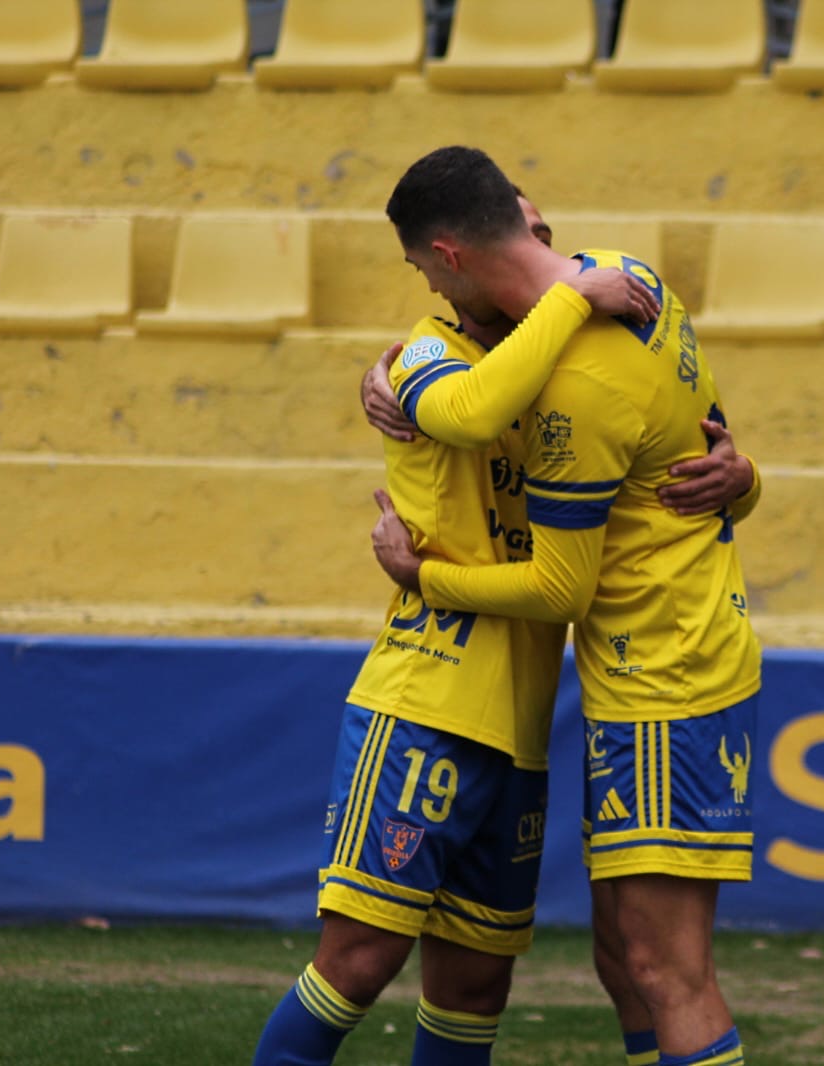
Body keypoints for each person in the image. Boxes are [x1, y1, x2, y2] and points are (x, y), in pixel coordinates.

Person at [253, 193, 746, 1066]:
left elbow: (665, 458)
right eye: (524, 233)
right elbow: (471, 413)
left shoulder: (565, 371)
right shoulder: (424, 356)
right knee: (358, 963)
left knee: (477, 983)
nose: (544, 244)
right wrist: (572, 294)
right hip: (427, 694)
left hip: (522, 724)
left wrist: (739, 477)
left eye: (544, 230)